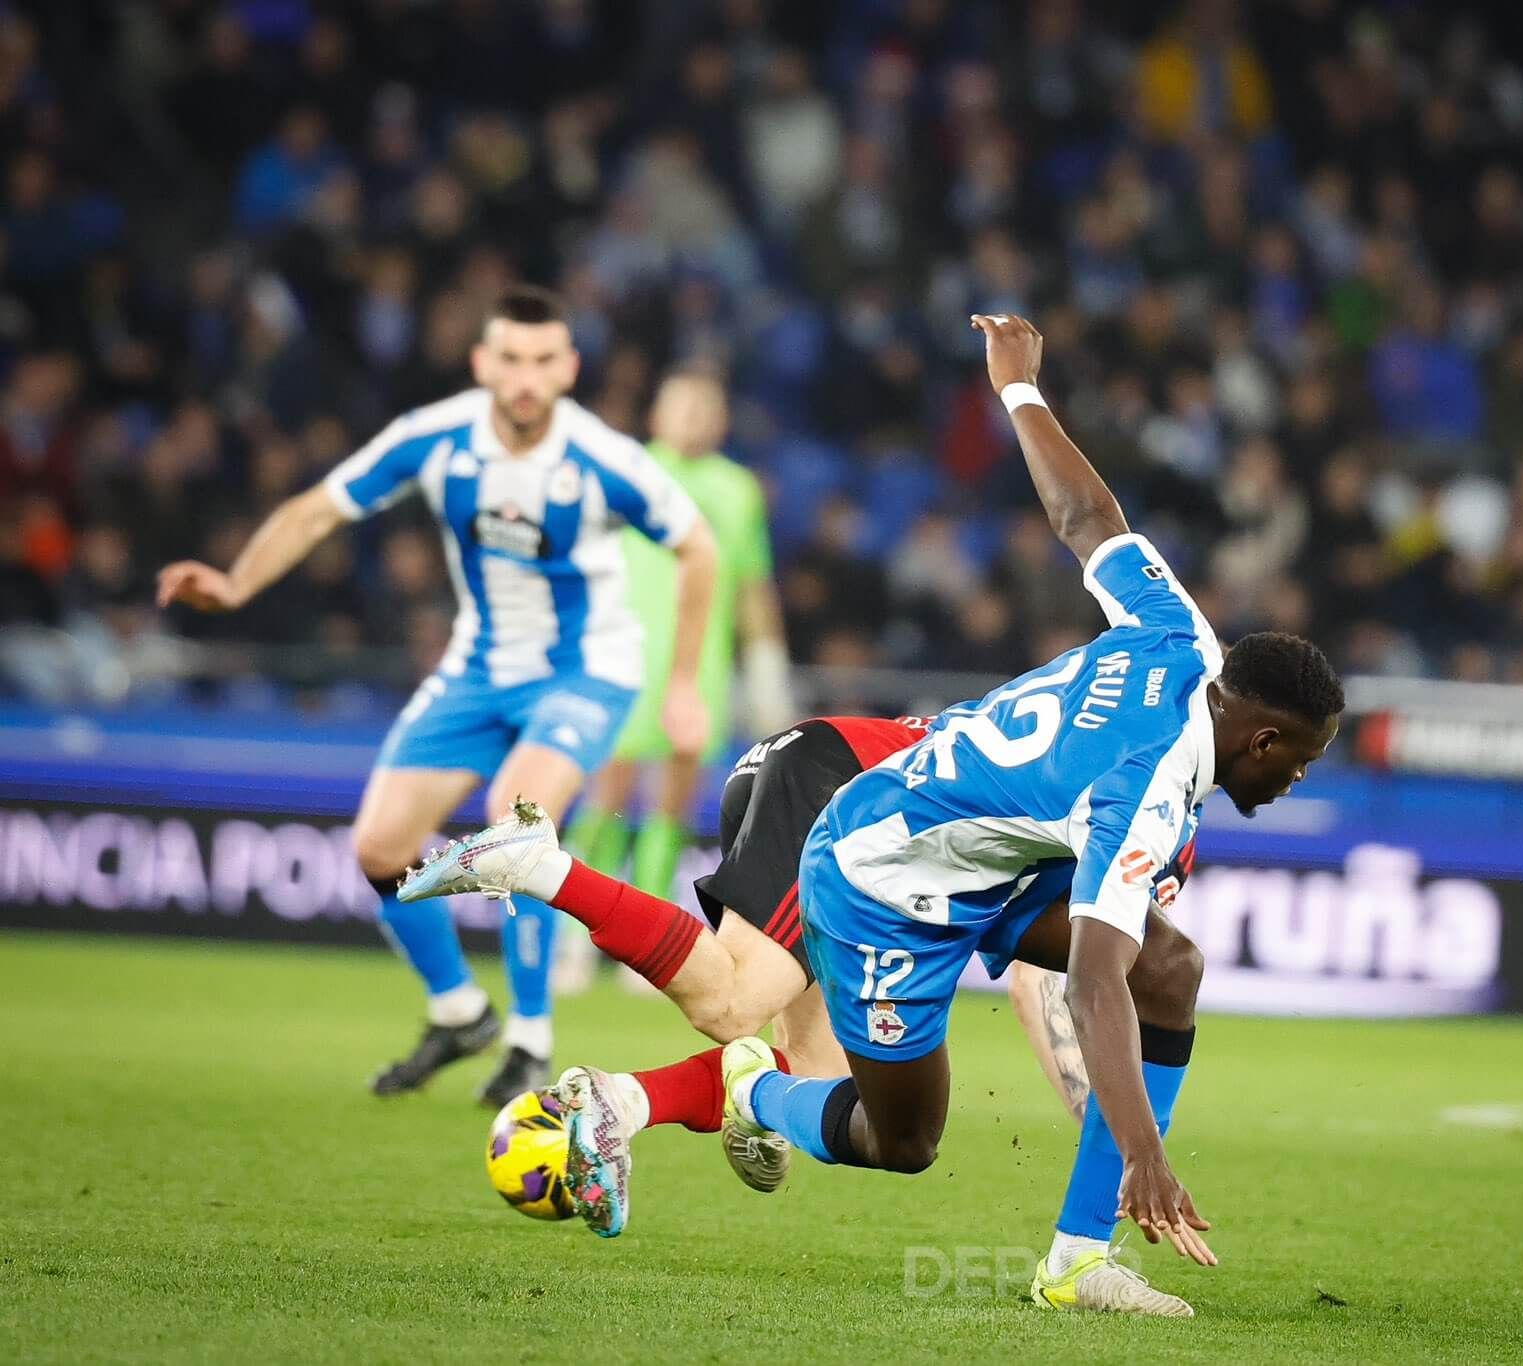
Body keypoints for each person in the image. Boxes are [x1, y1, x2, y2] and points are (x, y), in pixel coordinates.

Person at [697, 314, 1343, 1316]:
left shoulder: (1181, 631)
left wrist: (1020, 392)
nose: (1294, 780)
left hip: (988, 855)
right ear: (1259, 740)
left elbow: (1087, 517)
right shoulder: (1144, 784)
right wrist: (1145, 1154)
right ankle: (752, 1087)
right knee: (902, 1140)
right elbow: (1090, 987)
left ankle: (1076, 1262)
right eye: (1298, 762)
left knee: (1168, 965)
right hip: (879, 878)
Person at [155, 285, 716, 1106]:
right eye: (511, 359)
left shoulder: (601, 458)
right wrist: (237, 584)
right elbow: (318, 510)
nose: (525, 377)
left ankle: (531, 1037)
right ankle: (459, 1012)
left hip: (585, 670)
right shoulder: (435, 438)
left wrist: (683, 687)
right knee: (380, 847)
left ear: (568, 368)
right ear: (483, 362)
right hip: (478, 668)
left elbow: (697, 548)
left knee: (516, 813)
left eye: (542, 361)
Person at [395, 708, 1198, 1217]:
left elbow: (1043, 976)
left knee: (816, 1073)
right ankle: (541, 866)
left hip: (824, 769)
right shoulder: (1154, 815)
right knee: (736, 1003)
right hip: (843, 793)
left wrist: (1117, 1136)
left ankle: (620, 1104)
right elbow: (1057, 982)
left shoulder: (1116, 735)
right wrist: (1125, 1141)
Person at [560, 373, 795, 947]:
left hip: (700, 669)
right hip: (622, 661)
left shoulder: (738, 488)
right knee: (608, 795)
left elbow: (751, 584)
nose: (692, 418)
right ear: (657, 414)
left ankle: (644, 940)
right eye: (681, 406)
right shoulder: (624, 471)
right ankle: (570, 934)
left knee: (672, 803)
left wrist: (767, 666)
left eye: (704, 407)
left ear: (722, 419)